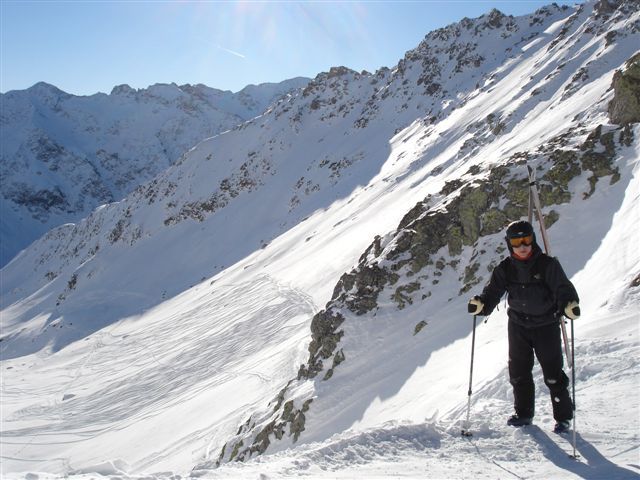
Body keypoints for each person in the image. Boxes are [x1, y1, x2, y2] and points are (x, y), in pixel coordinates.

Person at [467, 220, 580, 433]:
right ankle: (524, 413)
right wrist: (481, 305)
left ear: (533, 239)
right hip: (518, 325)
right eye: (517, 241)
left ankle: (563, 417)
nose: (522, 246)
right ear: (510, 244)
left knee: (553, 373)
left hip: (546, 325)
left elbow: (563, 288)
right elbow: (492, 292)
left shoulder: (547, 264)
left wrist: (568, 305)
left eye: (526, 240)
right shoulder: (506, 268)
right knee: (518, 372)